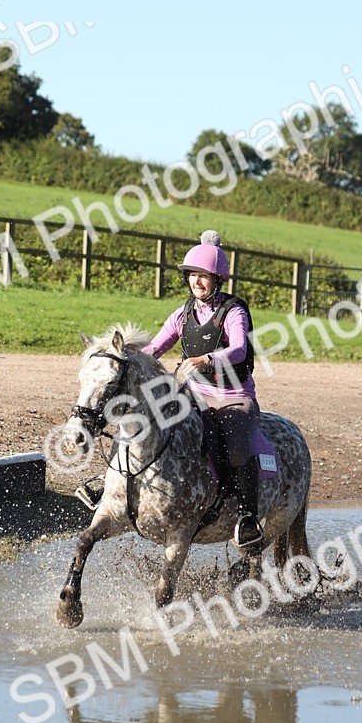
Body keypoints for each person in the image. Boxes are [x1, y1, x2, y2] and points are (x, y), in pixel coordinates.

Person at [141, 231, 263, 548]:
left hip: (233, 397)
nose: (197, 282)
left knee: (236, 446)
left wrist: (207, 359)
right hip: (191, 393)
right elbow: (156, 346)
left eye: (203, 276)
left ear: (217, 279)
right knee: (148, 421)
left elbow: (238, 349)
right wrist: (126, 361)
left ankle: (249, 517)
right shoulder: (183, 314)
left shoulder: (234, 311)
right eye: (193, 275)